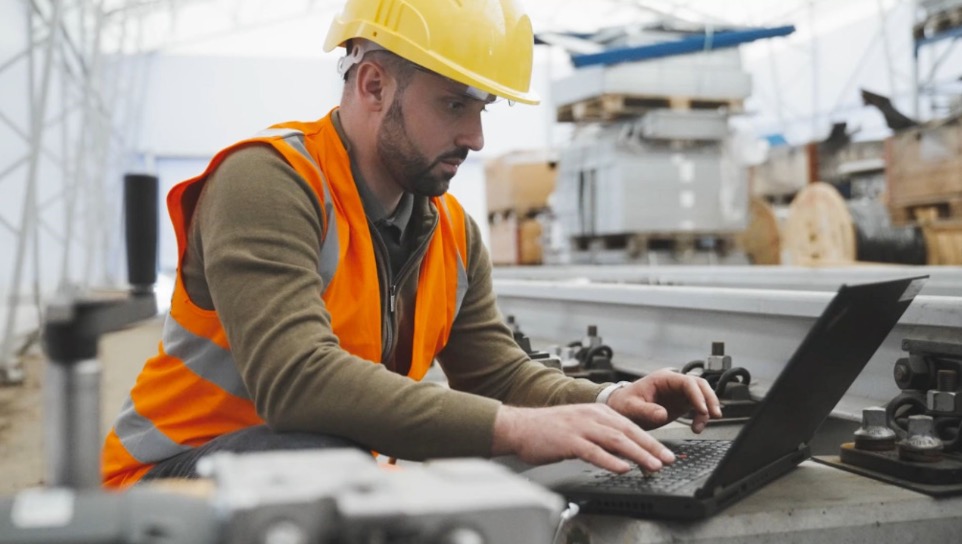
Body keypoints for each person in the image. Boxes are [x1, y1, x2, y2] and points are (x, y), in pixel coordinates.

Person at [101, 0, 721, 488]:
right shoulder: (267, 182)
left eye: (483, 107)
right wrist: (519, 430)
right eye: (454, 104)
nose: (476, 137)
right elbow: (296, 382)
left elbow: (494, 371)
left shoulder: (450, 228)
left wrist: (609, 401)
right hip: (170, 483)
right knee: (327, 461)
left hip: (299, 476)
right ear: (373, 86)